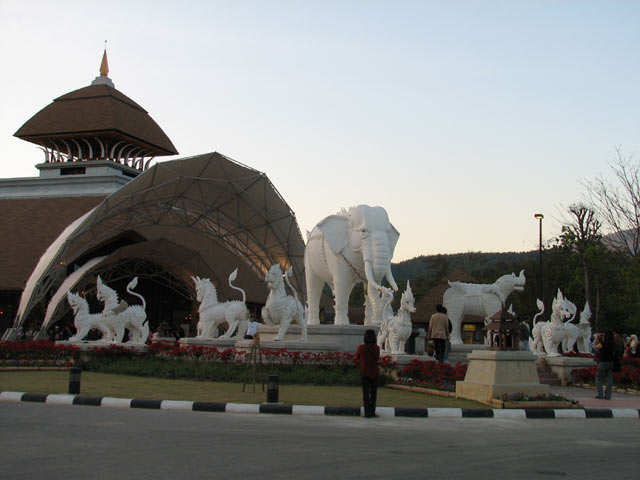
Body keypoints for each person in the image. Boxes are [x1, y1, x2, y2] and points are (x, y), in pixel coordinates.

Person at [354, 329, 380, 418]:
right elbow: (377, 358)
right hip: (375, 372)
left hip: (365, 372)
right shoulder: (377, 348)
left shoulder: (361, 348)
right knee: (373, 394)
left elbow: (356, 357)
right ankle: (372, 412)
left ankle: (367, 413)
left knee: (365, 394)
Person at [593, 331, 616, 400]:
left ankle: (600, 395)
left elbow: (594, 346)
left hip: (603, 362)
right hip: (611, 363)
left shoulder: (603, 344)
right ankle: (608, 396)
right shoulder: (613, 344)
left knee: (598, 379)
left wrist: (596, 338)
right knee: (609, 379)